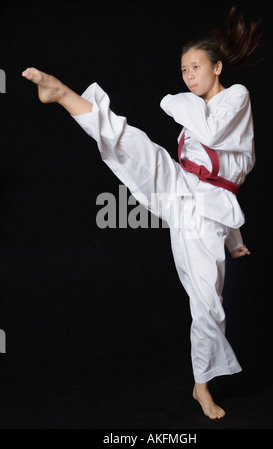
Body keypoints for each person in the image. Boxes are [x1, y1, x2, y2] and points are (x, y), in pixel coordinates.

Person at [22, 6, 260, 420]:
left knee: (207, 304)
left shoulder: (234, 98)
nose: (188, 76)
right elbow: (210, 167)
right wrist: (180, 103)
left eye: (196, 67)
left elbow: (223, 165)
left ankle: (200, 384)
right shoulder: (193, 111)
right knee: (129, 143)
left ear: (218, 66)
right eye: (183, 70)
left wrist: (234, 240)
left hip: (204, 211)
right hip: (181, 187)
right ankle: (62, 94)